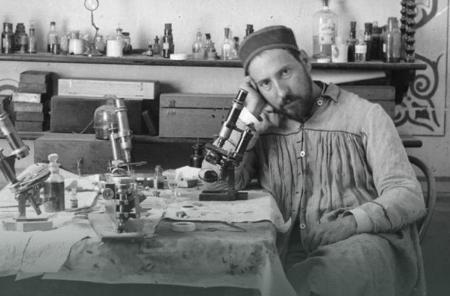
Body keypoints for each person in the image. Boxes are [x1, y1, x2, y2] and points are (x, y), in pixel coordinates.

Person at [202, 25, 427, 296]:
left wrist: (352, 221)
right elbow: (212, 185)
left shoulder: (366, 115)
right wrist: (246, 116)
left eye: (285, 72)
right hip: (284, 249)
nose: (281, 92)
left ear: (305, 62)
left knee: (323, 280)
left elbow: (408, 195)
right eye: (265, 84)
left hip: (361, 242)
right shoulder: (260, 125)